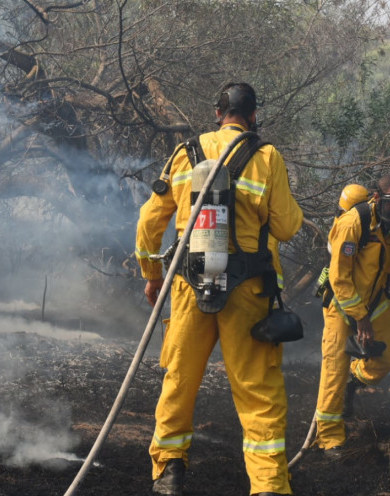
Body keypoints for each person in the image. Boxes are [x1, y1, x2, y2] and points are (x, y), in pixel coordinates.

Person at [135, 82, 303, 496]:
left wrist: (151, 275)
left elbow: (147, 223)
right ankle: (268, 487)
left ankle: (169, 471)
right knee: (258, 391)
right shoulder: (266, 157)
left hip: (191, 286)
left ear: (217, 113)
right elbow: (286, 226)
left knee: (180, 378)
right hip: (248, 291)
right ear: (253, 115)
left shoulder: (186, 153)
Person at [312, 175, 390, 456]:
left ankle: (355, 379)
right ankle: (329, 437)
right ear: (377, 199)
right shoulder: (352, 224)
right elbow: (339, 278)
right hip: (341, 304)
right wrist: (359, 317)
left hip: (376, 303)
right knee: (333, 371)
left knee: (386, 359)